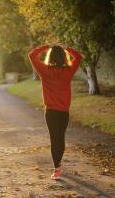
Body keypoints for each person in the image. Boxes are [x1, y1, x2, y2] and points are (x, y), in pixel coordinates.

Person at [28, 44, 82, 180]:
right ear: (64, 57)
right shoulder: (68, 71)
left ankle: (57, 168)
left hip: (51, 112)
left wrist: (46, 46)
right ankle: (58, 164)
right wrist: (67, 48)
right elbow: (79, 56)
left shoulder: (45, 71)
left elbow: (32, 55)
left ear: (50, 57)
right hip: (64, 111)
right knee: (61, 138)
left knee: (54, 139)